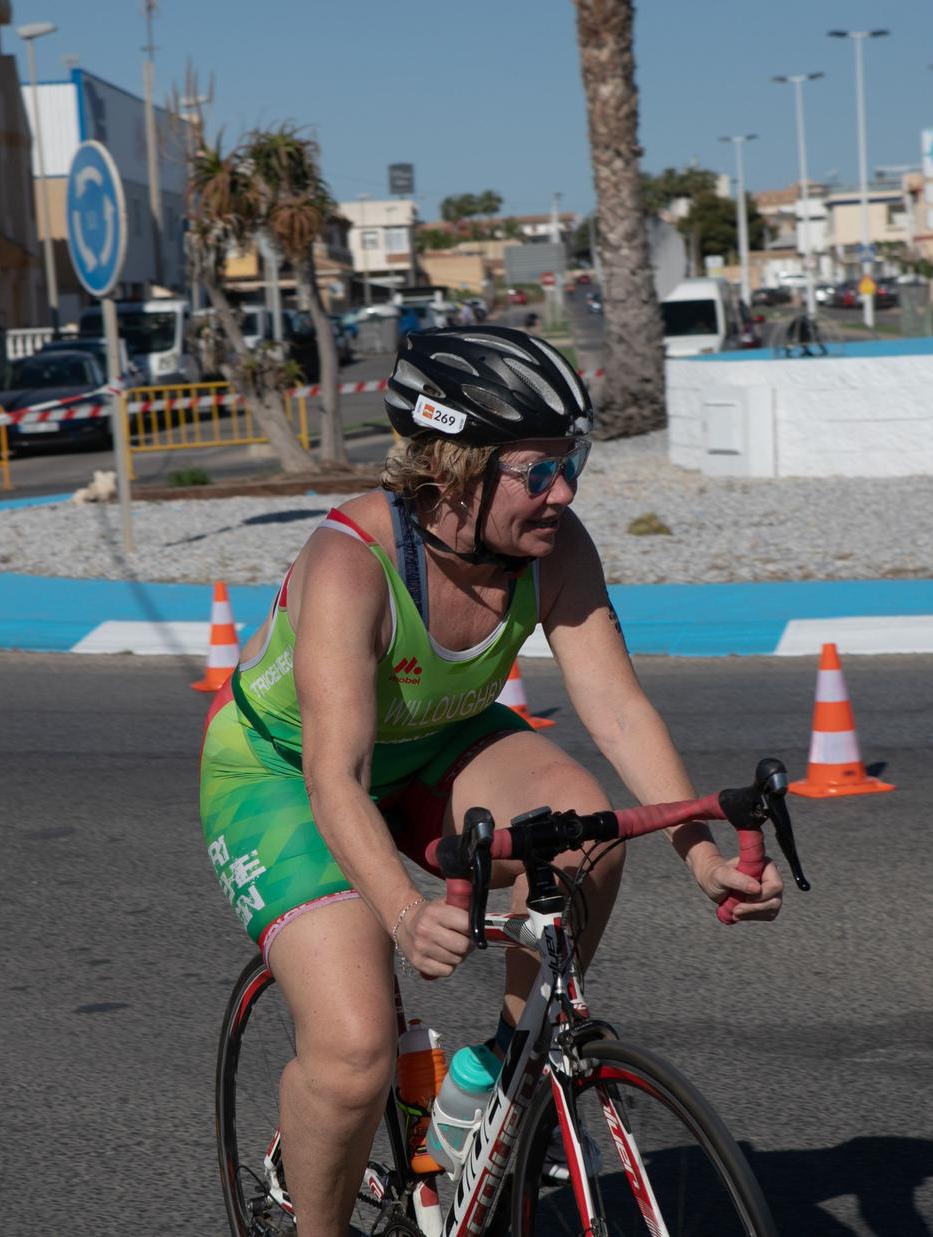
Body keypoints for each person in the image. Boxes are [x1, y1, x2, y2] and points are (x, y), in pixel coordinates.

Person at [197, 325, 783, 1236]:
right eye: (537, 470)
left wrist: (699, 854)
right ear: (455, 468)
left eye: (572, 460)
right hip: (283, 769)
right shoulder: (353, 566)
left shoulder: (553, 548)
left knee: (588, 833)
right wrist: (401, 909)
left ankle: (496, 1082)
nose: (566, 489)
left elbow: (619, 709)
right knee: (353, 1049)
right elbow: (336, 775)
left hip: (434, 741)